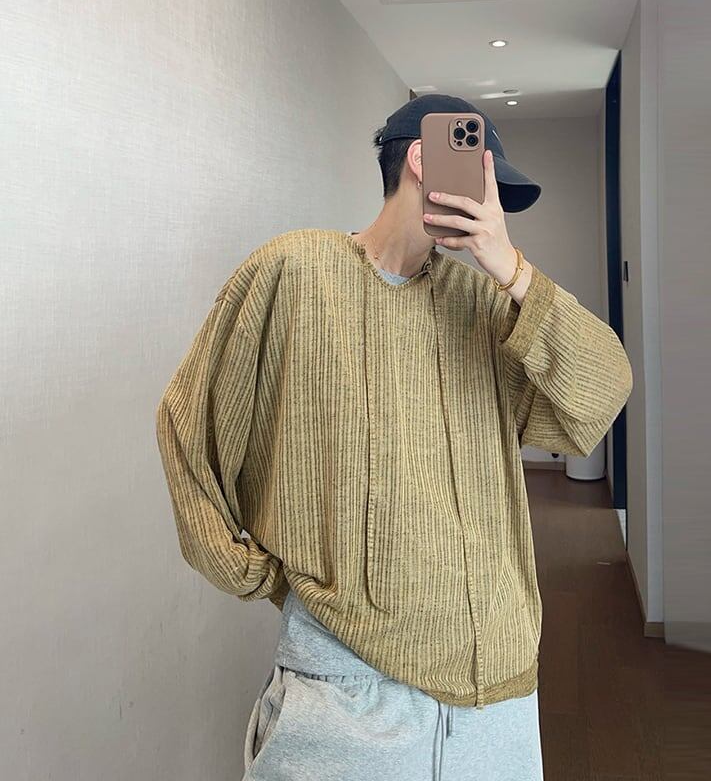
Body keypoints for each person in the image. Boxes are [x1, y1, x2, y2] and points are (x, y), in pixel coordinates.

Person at [155, 94, 633, 781]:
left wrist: (511, 268)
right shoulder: (294, 271)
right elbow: (190, 426)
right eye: (486, 181)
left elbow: (602, 391)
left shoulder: (483, 302)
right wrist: (254, 574)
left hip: (496, 694)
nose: (491, 205)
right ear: (423, 160)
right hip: (347, 690)